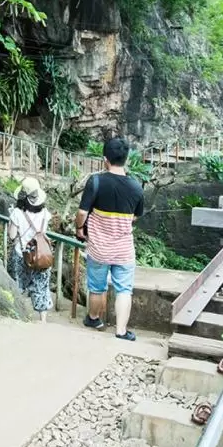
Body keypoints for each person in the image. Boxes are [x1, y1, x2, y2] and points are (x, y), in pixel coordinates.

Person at [75, 138, 145, 341]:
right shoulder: (136, 187)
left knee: (97, 287)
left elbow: (81, 213)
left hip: (98, 247)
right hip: (124, 249)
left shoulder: (96, 181)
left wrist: (80, 228)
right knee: (124, 289)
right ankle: (121, 331)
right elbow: (135, 217)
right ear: (126, 159)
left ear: (105, 159)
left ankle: (94, 319)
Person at [7, 177, 53, 322]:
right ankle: (43, 321)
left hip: (22, 255)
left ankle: (19, 317)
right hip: (41, 255)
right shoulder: (45, 213)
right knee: (41, 287)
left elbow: (12, 235)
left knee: (17, 285)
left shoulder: (17, 213)